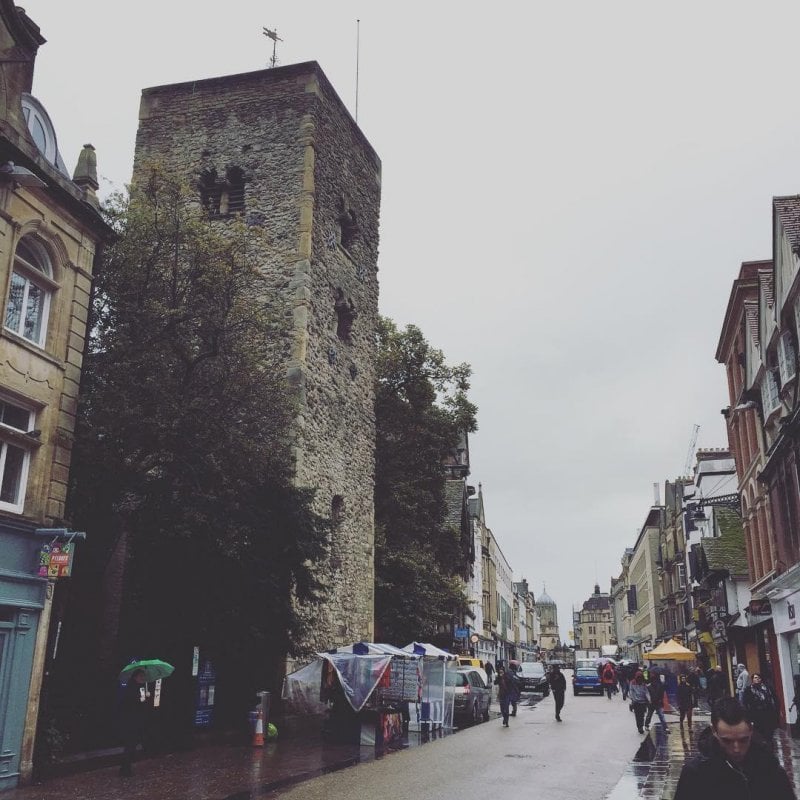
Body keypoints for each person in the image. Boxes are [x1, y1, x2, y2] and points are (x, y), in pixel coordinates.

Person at [673, 697, 797, 800]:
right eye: (727, 741)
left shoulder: (770, 768)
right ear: (714, 731)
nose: (736, 749)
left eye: (743, 740)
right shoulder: (695, 775)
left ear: (751, 729)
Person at [118, 668, 150, 777]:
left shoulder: (138, 687)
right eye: (141, 676)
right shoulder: (132, 688)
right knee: (130, 744)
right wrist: (143, 698)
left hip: (135, 721)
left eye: (143, 677)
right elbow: (133, 704)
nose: (143, 678)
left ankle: (126, 767)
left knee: (131, 744)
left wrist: (145, 697)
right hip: (131, 722)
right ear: (136, 677)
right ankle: (125, 769)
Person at [743, 673, 778, 741]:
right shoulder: (748, 690)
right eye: (755, 678)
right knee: (759, 731)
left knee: (769, 732)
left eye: (758, 677)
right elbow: (745, 702)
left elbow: (774, 699)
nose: (757, 679)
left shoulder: (767, 688)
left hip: (767, 712)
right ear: (752, 679)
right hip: (756, 714)